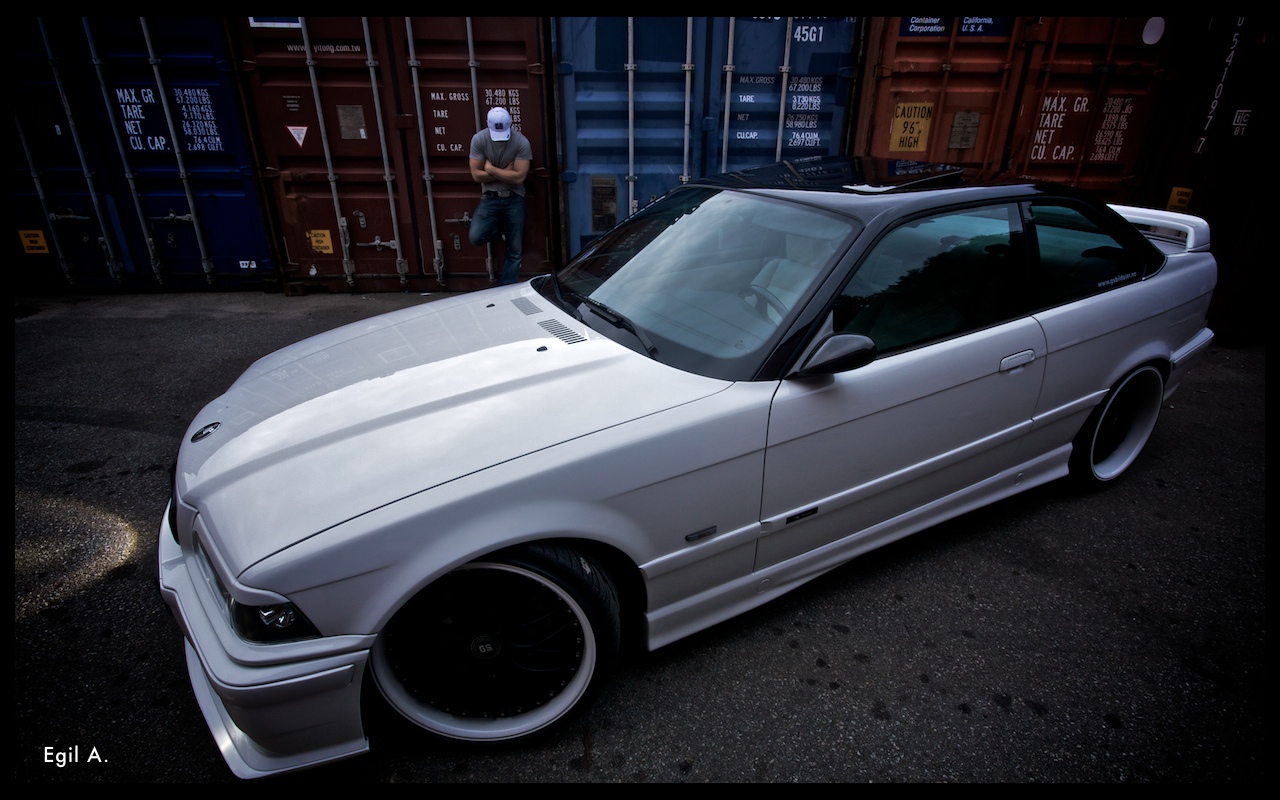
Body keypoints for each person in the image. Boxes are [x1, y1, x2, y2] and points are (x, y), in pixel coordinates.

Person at [468, 107, 532, 285]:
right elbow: (476, 175)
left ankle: (507, 287)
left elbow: (519, 177)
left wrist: (490, 169)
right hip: (490, 197)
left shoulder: (521, 142)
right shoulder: (479, 139)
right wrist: (505, 172)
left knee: (515, 251)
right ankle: (503, 228)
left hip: (514, 197)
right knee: (476, 236)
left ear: (510, 124)